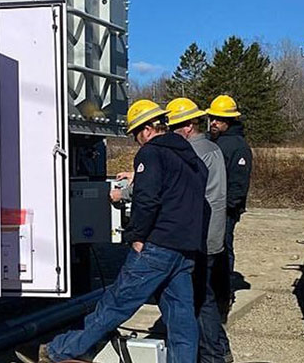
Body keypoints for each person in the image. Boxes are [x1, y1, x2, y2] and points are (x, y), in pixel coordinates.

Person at [17, 99, 208, 363]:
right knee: (181, 316)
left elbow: (147, 200)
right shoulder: (191, 158)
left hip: (156, 246)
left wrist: (136, 236)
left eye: (135, 134)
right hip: (185, 249)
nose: (136, 141)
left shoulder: (151, 153)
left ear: (147, 129)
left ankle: (57, 351)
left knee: (116, 303)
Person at [166, 97, 229, 363]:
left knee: (200, 299)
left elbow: (172, 186)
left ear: (189, 125)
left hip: (199, 236)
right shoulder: (210, 148)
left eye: (174, 127)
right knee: (206, 295)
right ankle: (220, 349)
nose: (170, 132)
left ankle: (212, 355)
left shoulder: (192, 153)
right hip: (212, 234)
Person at [206, 95, 252, 283]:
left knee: (223, 248)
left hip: (225, 209)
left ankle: (224, 289)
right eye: (212, 118)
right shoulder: (211, 141)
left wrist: (227, 207)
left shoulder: (238, 146)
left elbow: (239, 182)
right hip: (209, 205)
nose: (214, 122)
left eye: (219, 119)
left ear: (230, 120)